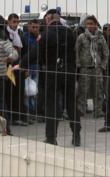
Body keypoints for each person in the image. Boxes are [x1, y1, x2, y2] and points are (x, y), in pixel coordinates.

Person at [39, 11, 80, 146]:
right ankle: (76, 135)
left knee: (52, 105)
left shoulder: (48, 33)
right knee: (71, 104)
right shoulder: (69, 33)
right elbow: (74, 52)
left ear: (49, 18)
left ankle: (51, 137)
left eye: (46, 19)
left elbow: (37, 51)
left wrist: (22, 64)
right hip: (69, 72)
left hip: (53, 73)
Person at [75, 15, 109, 118]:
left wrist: (103, 66)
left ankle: (98, 110)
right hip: (85, 69)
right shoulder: (81, 37)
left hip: (97, 69)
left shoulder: (100, 37)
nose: (89, 26)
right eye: (87, 24)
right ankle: (81, 110)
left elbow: (106, 53)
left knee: (98, 91)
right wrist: (78, 65)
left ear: (95, 25)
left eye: (91, 24)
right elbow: (76, 51)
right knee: (83, 90)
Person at [5, 13, 28, 126]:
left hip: (18, 67)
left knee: (19, 91)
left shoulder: (20, 34)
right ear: (8, 22)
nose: (15, 24)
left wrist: (24, 65)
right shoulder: (6, 34)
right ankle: (11, 117)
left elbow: (24, 51)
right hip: (9, 68)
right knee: (11, 92)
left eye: (17, 22)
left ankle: (19, 116)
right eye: (13, 21)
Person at [21, 19, 41, 122]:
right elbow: (24, 54)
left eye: (37, 27)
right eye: (33, 27)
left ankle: (33, 114)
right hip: (27, 68)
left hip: (36, 68)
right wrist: (25, 68)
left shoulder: (41, 37)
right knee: (26, 93)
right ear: (29, 27)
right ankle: (27, 114)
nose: (35, 29)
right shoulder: (24, 38)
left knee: (34, 92)